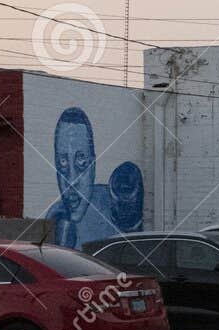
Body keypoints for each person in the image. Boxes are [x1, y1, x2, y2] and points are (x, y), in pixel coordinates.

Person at [45, 106, 146, 248]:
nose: (71, 181)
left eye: (81, 163)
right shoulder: (56, 214)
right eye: (62, 164)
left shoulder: (115, 203)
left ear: (93, 165)